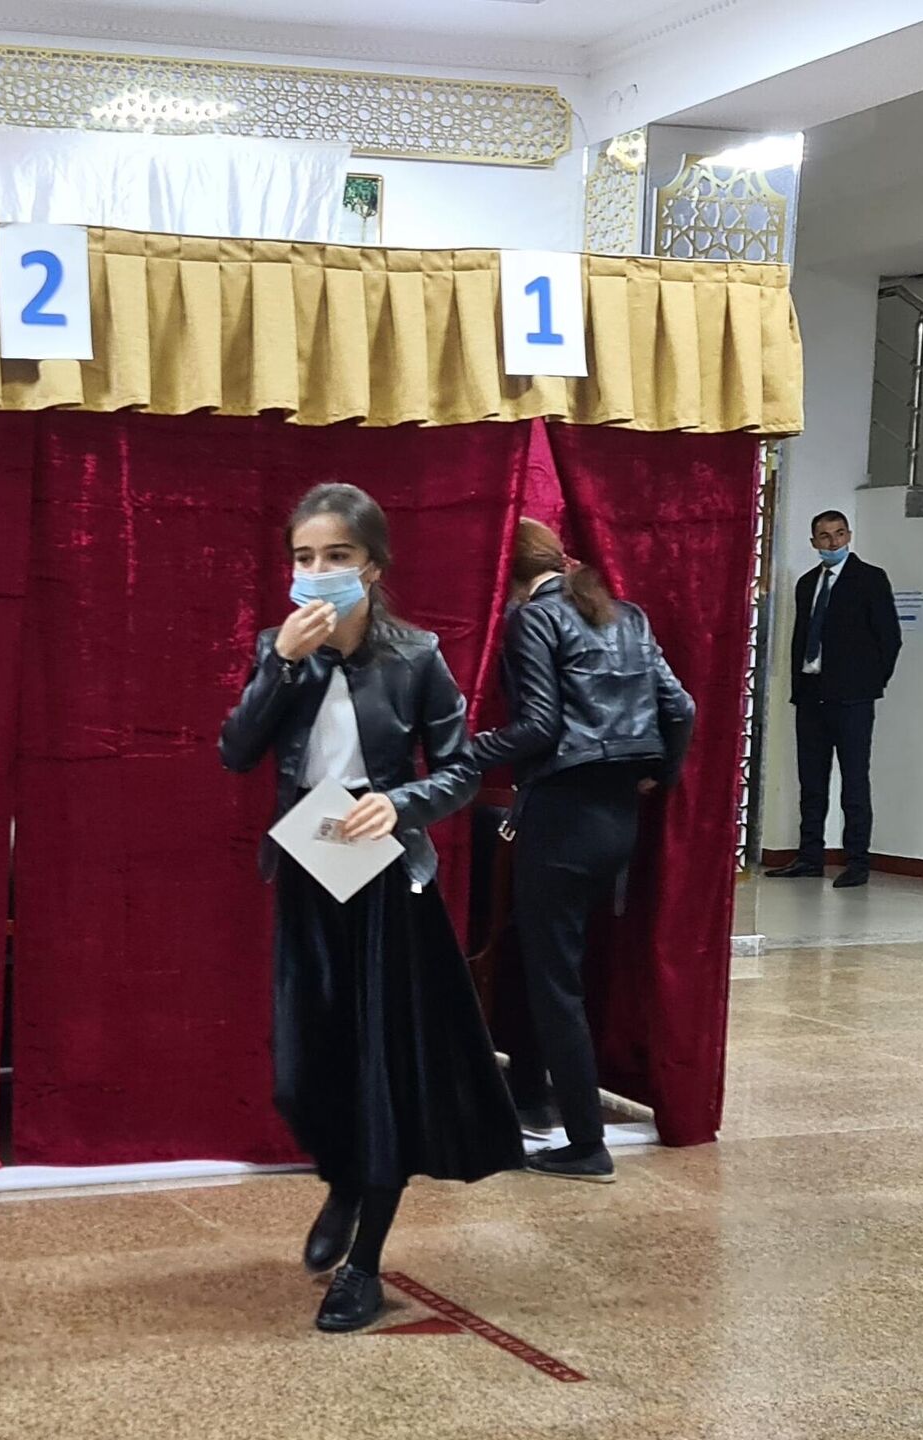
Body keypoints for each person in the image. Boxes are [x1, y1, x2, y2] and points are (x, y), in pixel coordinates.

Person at [219, 483, 523, 1335]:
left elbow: (461, 767)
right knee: (303, 1069)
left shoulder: (416, 655)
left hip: (388, 879)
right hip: (308, 870)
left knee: (382, 1072)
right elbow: (237, 751)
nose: (317, 571)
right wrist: (281, 664)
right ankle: (344, 1179)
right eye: (304, 557)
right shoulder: (277, 647)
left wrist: (402, 802)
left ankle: (364, 1264)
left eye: (337, 556)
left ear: (373, 566)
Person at [471, 519, 695, 1184]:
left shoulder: (532, 620)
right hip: (618, 818)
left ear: (508, 575)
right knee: (548, 963)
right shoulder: (628, 615)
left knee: (554, 981)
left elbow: (539, 727)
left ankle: (584, 1143)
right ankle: (539, 1100)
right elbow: (680, 708)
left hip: (561, 818)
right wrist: (660, 775)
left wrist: (463, 749)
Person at [765, 510, 902, 888]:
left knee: (854, 782)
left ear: (849, 536)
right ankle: (810, 856)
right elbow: (801, 636)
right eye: (824, 537)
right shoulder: (808, 582)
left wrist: (868, 682)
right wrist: (799, 686)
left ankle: (857, 861)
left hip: (852, 699)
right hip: (812, 695)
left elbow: (889, 638)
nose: (833, 542)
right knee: (811, 781)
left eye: (839, 534)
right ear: (814, 542)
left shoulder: (869, 579)